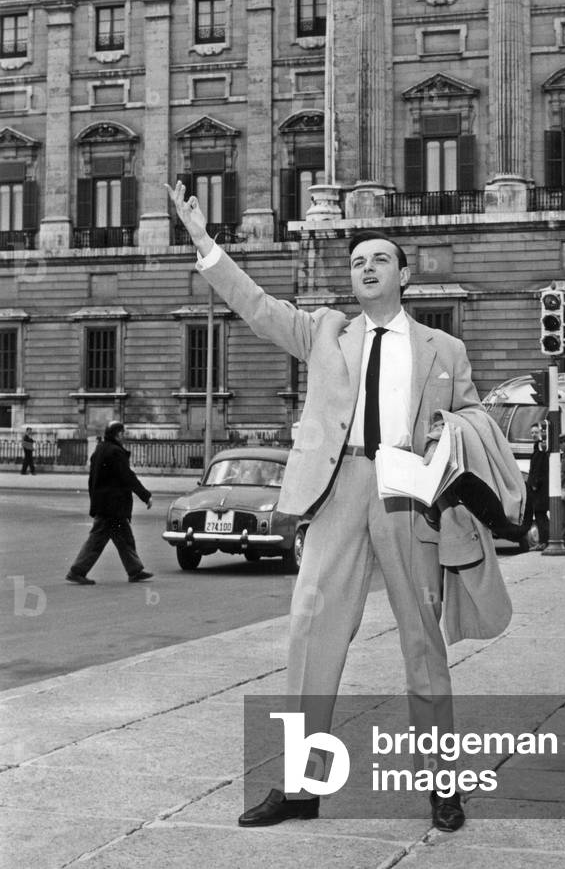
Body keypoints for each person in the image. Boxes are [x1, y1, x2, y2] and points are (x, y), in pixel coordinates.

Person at [168, 181, 523, 833]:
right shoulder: (326, 330)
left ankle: (443, 786)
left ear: (403, 273)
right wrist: (205, 244)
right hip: (338, 492)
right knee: (311, 636)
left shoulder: (446, 350)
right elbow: (259, 308)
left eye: (379, 259)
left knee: (423, 644)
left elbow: (474, 414)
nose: (366, 269)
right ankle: (301, 786)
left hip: (407, 497)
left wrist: (451, 433)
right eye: (358, 261)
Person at [66, 421, 154, 585]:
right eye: (123, 433)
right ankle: (76, 571)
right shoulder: (115, 452)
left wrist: (95, 500)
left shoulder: (100, 449)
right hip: (112, 507)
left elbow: (92, 479)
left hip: (107, 505)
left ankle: (135, 570)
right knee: (97, 540)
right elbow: (128, 477)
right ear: (117, 434)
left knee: (125, 539)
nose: (124, 435)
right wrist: (145, 496)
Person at [522, 422, 549, 552]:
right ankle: (545, 541)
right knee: (541, 516)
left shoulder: (540, 448)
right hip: (540, 489)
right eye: (532, 433)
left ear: (541, 433)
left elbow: (538, 468)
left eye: (536, 432)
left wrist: (533, 484)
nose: (533, 435)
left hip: (539, 489)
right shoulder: (537, 447)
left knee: (540, 515)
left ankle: (544, 542)